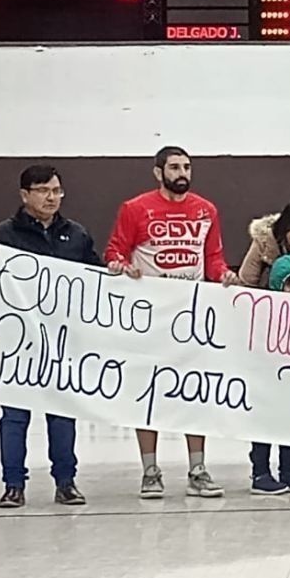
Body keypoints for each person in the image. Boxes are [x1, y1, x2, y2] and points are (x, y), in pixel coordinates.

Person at [104, 146, 238, 499]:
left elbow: (213, 259)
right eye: (175, 167)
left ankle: (197, 469)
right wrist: (120, 265)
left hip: (191, 318)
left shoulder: (206, 209)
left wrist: (224, 274)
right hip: (148, 319)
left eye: (187, 167)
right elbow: (115, 251)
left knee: (195, 392)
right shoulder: (135, 208)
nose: (182, 173)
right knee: (148, 394)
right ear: (158, 172)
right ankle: (150, 470)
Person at [0, 165, 98, 509]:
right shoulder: (2, 236)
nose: (52, 198)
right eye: (43, 191)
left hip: (62, 342)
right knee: (15, 416)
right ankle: (13, 484)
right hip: (17, 345)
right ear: (25, 195)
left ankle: (66, 481)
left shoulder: (77, 235)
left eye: (57, 191)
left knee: (62, 413)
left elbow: (96, 281)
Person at [249, 254, 290, 495]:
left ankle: (289, 470)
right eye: (289, 284)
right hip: (265, 380)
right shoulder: (264, 311)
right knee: (263, 426)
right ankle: (260, 472)